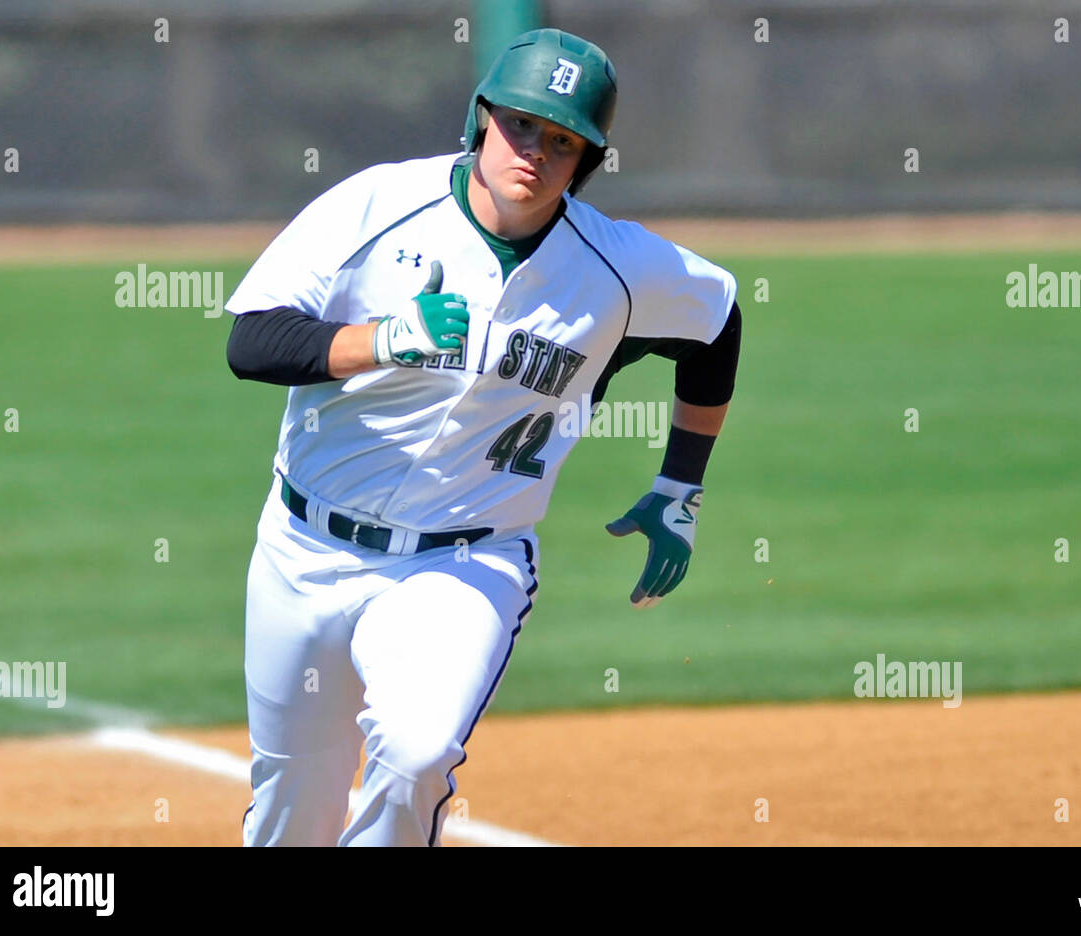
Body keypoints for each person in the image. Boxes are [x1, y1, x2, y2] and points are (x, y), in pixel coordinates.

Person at [224, 27, 741, 846]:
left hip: (464, 560)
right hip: (303, 551)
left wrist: (681, 483)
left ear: (587, 163)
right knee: (294, 804)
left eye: (564, 140)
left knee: (418, 754)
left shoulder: (616, 267)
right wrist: (383, 339)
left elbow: (717, 322)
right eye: (521, 124)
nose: (535, 151)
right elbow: (250, 344)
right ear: (480, 118)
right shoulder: (376, 203)